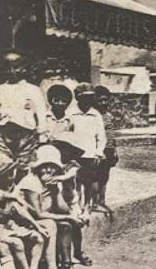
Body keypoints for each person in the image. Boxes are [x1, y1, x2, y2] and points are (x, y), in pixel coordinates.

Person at [17, 145, 91, 268]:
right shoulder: (31, 182)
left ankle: (67, 264)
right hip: (26, 220)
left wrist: (55, 190)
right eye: (44, 167)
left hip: (43, 218)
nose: (49, 171)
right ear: (37, 167)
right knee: (64, 222)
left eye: (53, 167)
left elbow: (63, 210)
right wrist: (70, 217)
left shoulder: (50, 184)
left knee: (68, 225)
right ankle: (58, 264)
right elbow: (38, 214)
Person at [0, 52, 47, 168]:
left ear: (24, 68)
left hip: (26, 135)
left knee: (24, 165)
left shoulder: (33, 89)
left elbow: (41, 112)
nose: (11, 71)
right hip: (4, 135)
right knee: (3, 165)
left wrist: (42, 135)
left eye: (16, 67)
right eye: (7, 67)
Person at [70, 84, 106, 213]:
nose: (87, 100)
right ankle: (77, 206)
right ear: (77, 98)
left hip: (90, 155)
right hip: (75, 155)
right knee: (75, 181)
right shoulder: (71, 113)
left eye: (90, 97)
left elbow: (101, 136)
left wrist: (98, 153)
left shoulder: (95, 115)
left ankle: (87, 206)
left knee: (89, 182)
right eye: (84, 97)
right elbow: (67, 134)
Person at [92, 85, 118, 214]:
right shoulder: (93, 116)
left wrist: (114, 149)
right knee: (95, 176)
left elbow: (112, 134)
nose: (103, 103)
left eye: (105, 100)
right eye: (100, 100)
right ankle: (95, 202)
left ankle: (102, 201)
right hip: (99, 150)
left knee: (104, 176)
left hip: (109, 149)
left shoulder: (108, 116)